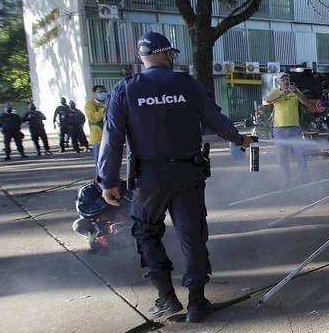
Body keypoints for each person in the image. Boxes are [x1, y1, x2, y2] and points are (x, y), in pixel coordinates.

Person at [98, 31, 252, 323]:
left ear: (142, 58)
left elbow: (112, 139)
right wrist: (239, 139)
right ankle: (197, 302)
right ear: (167, 54)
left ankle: (166, 298)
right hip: (188, 172)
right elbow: (215, 120)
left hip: (148, 178)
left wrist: (108, 181)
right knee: (192, 235)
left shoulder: (124, 90)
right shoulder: (187, 84)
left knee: (146, 232)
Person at [265, 73, 311, 183]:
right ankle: (286, 178)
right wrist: (281, 93)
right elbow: (268, 100)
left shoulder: (295, 91)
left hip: (294, 129)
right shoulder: (275, 92)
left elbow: (306, 102)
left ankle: (302, 176)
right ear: (278, 82)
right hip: (279, 129)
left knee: (300, 153)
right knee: (282, 157)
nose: (286, 81)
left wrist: (295, 92)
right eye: (283, 80)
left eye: (287, 79)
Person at [86, 85, 108, 168]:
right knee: (100, 162)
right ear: (94, 94)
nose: (103, 93)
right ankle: (99, 179)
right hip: (98, 138)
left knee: (110, 161)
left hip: (110, 136)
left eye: (104, 91)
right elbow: (92, 117)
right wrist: (104, 109)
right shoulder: (90, 105)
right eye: (100, 92)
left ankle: (111, 179)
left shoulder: (109, 101)